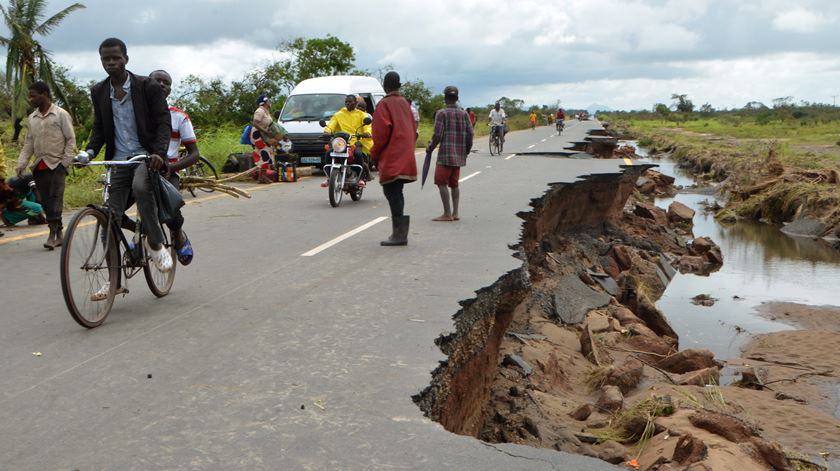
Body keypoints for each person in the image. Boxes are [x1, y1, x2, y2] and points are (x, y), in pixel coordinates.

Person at [84, 37, 173, 274]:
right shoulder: (99, 91)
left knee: (142, 187)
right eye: (106, 58)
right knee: (109, 217)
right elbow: (100, 128)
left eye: (116, 58)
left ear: (126, 59)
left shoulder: (147, 87)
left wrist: (159, 153)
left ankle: (155, 242)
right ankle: (112, 279)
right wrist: (89, 151)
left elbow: (164, 122)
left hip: (144, 157)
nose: (111, 62)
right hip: (119, 159)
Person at [15, 81, 76, 249]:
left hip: (57, 164)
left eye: (33, 95)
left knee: (56, 198)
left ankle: (53, 234)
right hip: (39, 165)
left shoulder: (60, 114)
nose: (30, 99)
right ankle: (59, 232)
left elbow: (71, 140)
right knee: (45, 201)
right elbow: (29, 143)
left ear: (45, 94)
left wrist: (64, 163)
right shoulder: (32, 118)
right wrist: (21, 163)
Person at [149, 69, 197, 265]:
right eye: (157, 81)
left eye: (166, 82)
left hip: (168, 172)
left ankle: (177, 234)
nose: (161, 85)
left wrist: (171, 168)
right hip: (142, 167)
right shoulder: (137, 114)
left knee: (171, 210)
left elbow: (195, 154)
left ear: (169, 90)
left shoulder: (179, 117)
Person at [370, 71, 417, 246]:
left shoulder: (384, 105)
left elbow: (381, 135)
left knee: (391, 191)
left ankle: (399, 235)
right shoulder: (405, 103)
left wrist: (374, 154)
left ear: (384, 85)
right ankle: (399, 232)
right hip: (405, 153)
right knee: (397, 191)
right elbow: (414, 128)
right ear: (399, 85)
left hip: (392, 156)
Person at [426, 86, 473, 222]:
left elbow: (437, 135)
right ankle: (455, 213)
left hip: (445, 155)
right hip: (458, 155)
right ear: (457, 98)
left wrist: (430, 147)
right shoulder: (464, 114)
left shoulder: (442, 113)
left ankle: (447, 214)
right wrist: (466, 151)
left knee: (441, 183)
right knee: (454, 184)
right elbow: (470, 134)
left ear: (445, 98)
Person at [320, 94, 372, 186]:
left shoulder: (362, 115)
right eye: (346, 102)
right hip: (341, 142)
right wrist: (326, 132)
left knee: (358, 154)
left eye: (350, 102)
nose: (347, 103)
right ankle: (329, 178)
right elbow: (331, 125)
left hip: (356, 141)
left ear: (356, 103)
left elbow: (368, 127)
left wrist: (366, 133)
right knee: (328, 154)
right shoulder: (338, 114)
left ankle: (360, 178)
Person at [251, 95, 278, 184]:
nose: (270, 102)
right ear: (264, 102)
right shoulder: (260, 111)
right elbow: (255, 123)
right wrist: (265, 132)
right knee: (264, 154)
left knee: (267, 153)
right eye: (268, 101)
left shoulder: (266, 111)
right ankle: (263, 177)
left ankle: (261, 177)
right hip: (258, 135)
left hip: (264, 135)